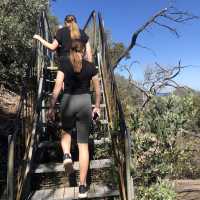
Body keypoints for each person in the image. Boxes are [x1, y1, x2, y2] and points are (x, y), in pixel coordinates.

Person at [48, 40, 101, 198]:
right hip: (84, 102)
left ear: (70, 51)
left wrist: (51, 107)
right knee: (83, 146)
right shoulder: (91, 67)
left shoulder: (64, 64)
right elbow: (97, 91)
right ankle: (83, 187)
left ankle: (66, 155)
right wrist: (96, 106)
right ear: (84, 51)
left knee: (66, 132)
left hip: (68, 101)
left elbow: (57, 87)